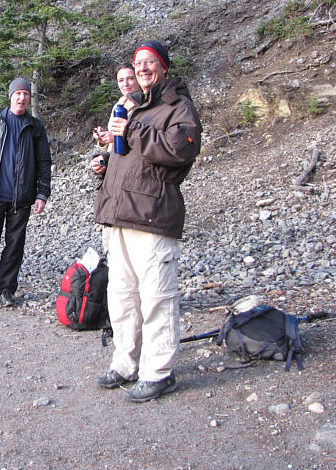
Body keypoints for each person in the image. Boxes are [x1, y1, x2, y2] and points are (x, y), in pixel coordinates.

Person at [92, 41, 202, 402]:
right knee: (122, 297)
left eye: (149, 63)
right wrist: (107, 166)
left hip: (153, 216)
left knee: (157, 298)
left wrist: (131, 132)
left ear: (164, 68)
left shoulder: (178, 106)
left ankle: (159, 372)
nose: (142, 69)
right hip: (120, 215)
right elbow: (133, 158)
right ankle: (126, 363)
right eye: (138, 63)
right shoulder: (134, 106)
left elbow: (181, 148)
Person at [0, 77, 52, 309]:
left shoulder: (35, 127)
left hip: (21, 198)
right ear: (11, 95)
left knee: (14, 247)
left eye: (25, 94)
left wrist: (42, 194)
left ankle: (6, 290)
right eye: (18, 94)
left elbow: (44, 162)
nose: (22, 98)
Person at [90, 63, 138, 176]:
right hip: (114, 164)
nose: (125, 84)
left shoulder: (143, 105)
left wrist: (116, 138)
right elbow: (112, 140)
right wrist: (103, 140)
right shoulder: (119, 105)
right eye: (121, 80)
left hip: (132, 169)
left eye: (130, 79)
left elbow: (143, 140)